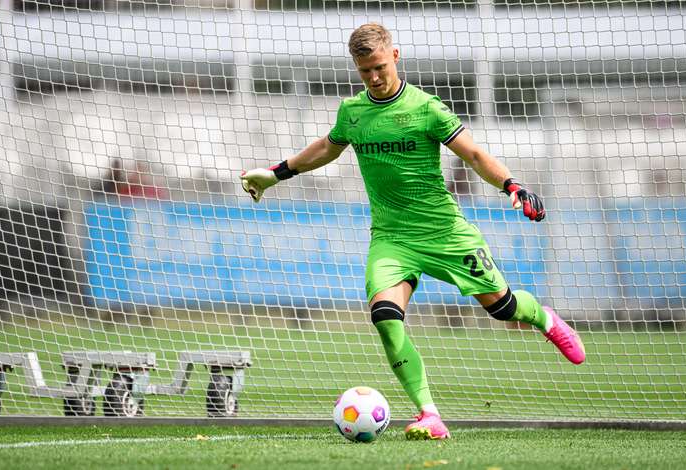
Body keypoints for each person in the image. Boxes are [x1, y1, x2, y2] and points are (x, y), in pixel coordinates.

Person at [240, 23, 585, 440]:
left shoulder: (426, 108)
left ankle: (545, 319)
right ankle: (430, 415)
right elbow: (327, 148)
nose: (373, 77)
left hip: (444, 232)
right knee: (385, 317)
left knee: (503, 309)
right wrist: (275, 175)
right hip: (391, 239)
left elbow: (474, 154)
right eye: (364, 70)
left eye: (380, 67)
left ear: (395, 57)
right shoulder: (352, 112)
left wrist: (512, 185)